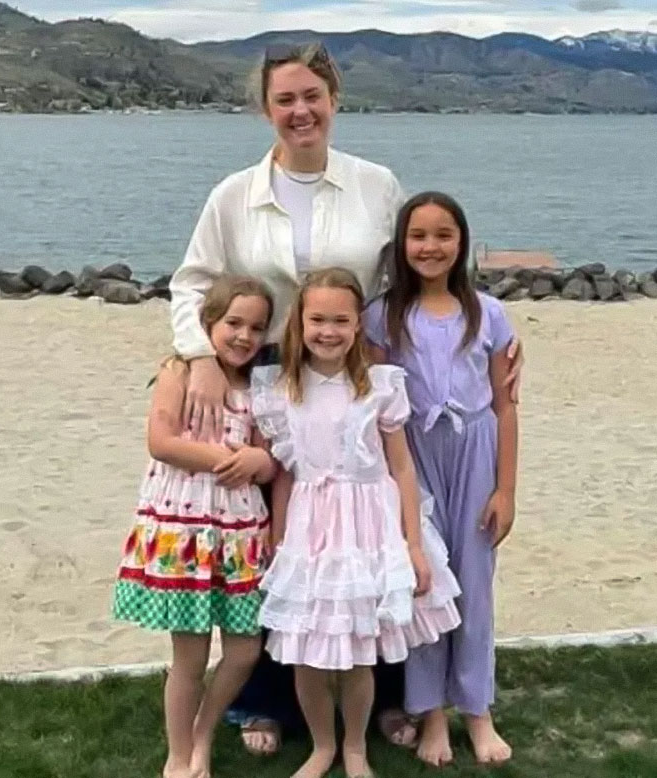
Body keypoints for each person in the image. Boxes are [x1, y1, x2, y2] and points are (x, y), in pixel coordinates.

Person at [168, 42, 524, 756]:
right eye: (284, 100)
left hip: (361, 373)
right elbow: (191, 283)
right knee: (280, 540)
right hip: (270, 374)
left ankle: (388, 700)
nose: (300, 111)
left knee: (371, 539)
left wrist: (482, 336)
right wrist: (203, 357)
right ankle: (266, 702)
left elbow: (420, 277)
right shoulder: (233, 194)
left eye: (312, 96)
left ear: (334, 100)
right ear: (265, 109)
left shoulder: (374, 183)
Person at [252, 267, 461, 778]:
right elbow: (283, 476)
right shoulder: (281, 390)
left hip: (370, 526)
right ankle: (322, 744)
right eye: (317, 319)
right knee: (306, 649)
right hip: (310, 527)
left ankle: (354, 747)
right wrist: (279, 542)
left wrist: (413, 545)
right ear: (300, 322)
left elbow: (403, 467)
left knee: (359, 650)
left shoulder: (380, 386)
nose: (329, 330)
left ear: (357, 325)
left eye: (341, 320)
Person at [363, 192, 519, 766]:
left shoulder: (488, 313)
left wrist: (506, 489)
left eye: (443, 235)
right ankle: (430, 714)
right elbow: (375, 400)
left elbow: (506, 407)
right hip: (413, 458)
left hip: (475, 454)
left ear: (462, 241)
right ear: (402, 245)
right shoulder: (381, 316)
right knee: (425, 583)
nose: (431, 247)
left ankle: (478, 712)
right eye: (419, 236)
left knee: (475, 587)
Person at [112, 276, 277, 778]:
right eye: (233, 323)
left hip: (240, 533)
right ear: (208, 324)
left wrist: (257, 460)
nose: (243, 336)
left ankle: (204, 731)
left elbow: (271, 463)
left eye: (256, 327)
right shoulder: (179, 370)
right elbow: (161, 441)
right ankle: (179, 755)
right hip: (185, 531)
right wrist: (226, 458)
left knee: (246, 647)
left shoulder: (260, 388)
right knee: (189, 654)